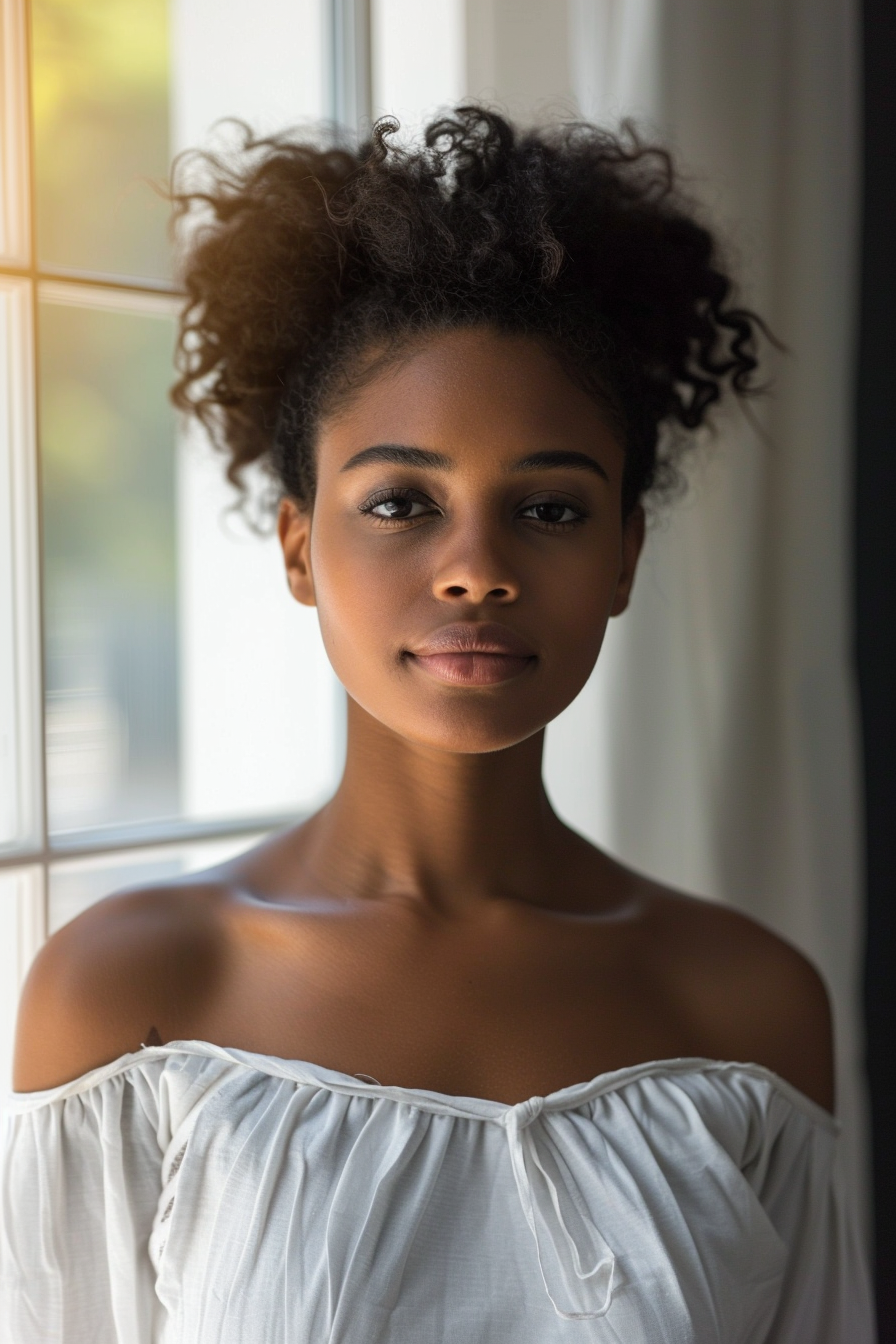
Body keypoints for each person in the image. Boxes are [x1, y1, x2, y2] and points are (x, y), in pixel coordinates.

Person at [1, 108, 873, 1342]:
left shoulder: (747, 1005)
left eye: (552, 510)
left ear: (625, 552)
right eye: (403, 501)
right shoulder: (129, 991)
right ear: (301, 547)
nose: (475, 569)